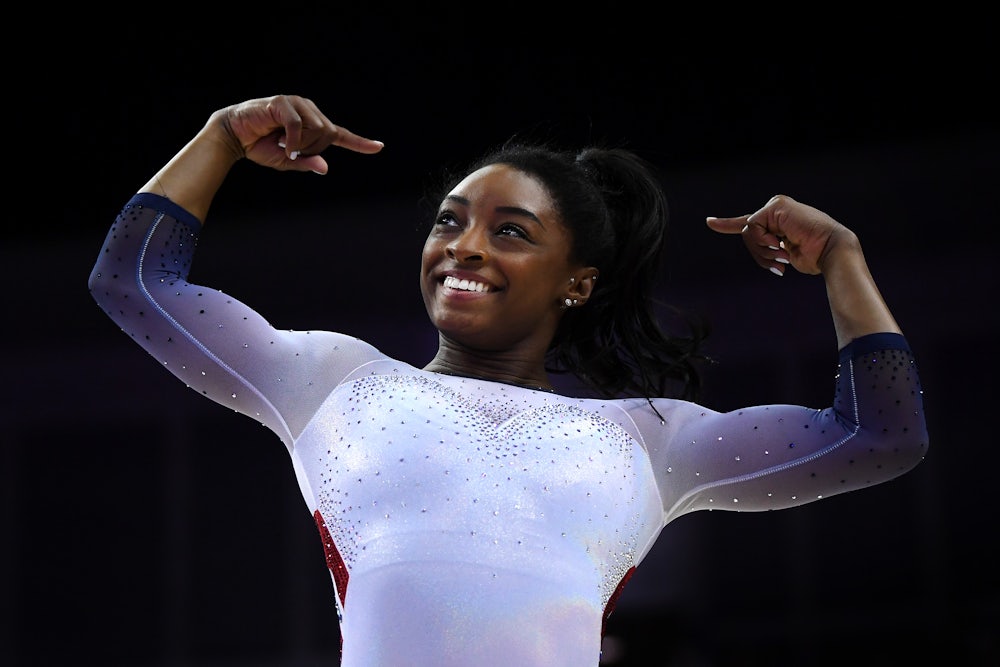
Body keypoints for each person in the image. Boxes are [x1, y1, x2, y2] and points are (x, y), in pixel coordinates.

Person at [88, 94, 929, 667]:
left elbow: (880, 435)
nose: (466, 247)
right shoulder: (333, 380)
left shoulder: (650, 440)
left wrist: (842, 262)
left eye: (511, 231)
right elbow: (135, 283)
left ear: (577, 280)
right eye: (449, 222)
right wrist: (223, 136)